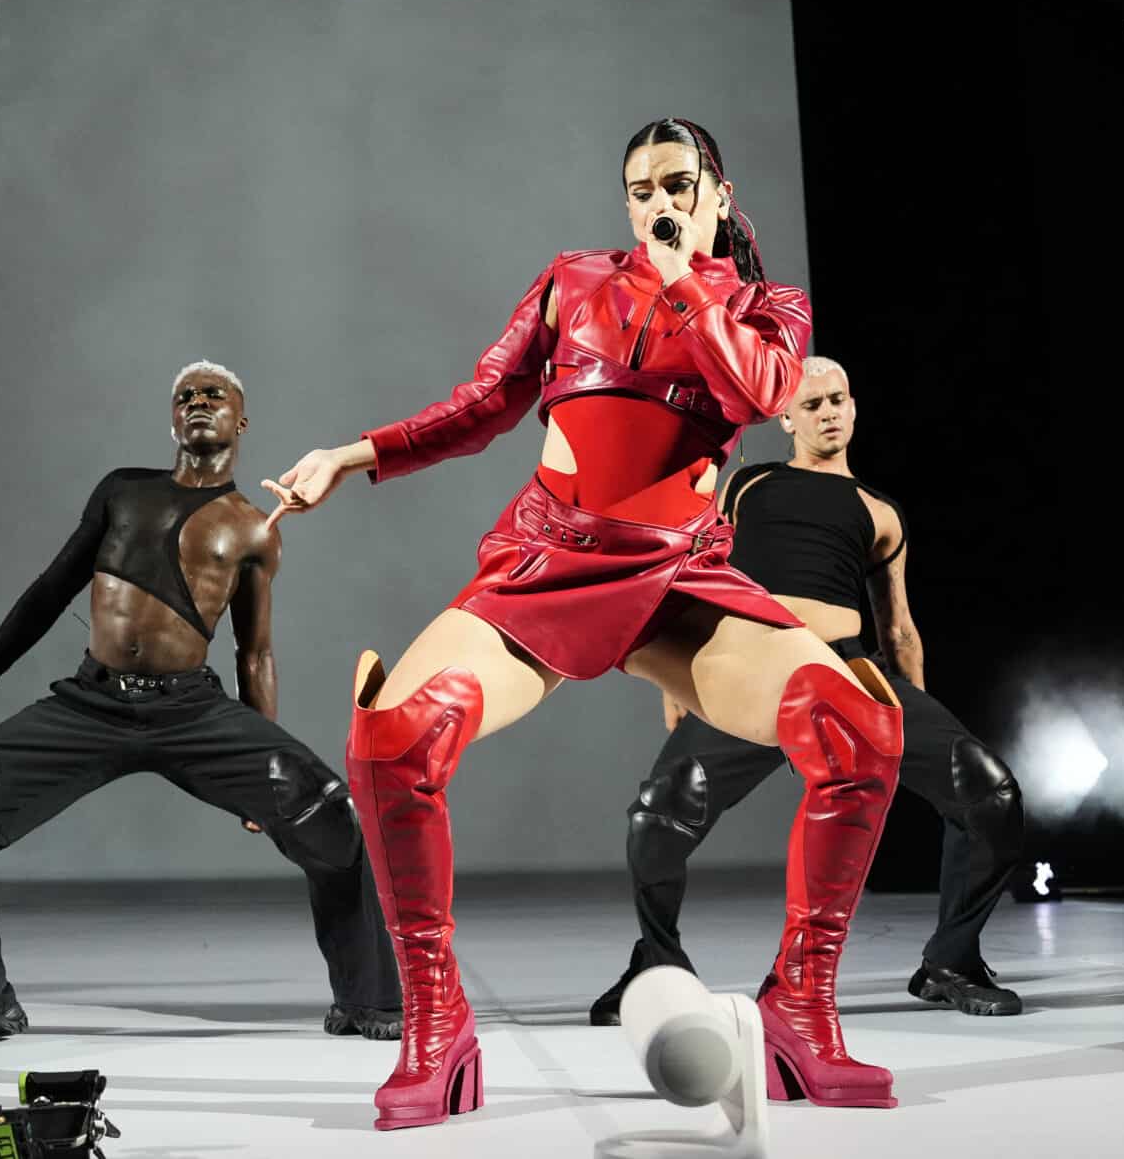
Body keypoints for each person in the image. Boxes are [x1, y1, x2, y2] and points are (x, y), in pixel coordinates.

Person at [264, 120, 906, 1129]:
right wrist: (350, 456)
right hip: (546, 561)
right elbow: (481, 404)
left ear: (717, 193)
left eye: (677, 183)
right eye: (638, 188)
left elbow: (756, 388)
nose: (657, 200)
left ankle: (802, 1010)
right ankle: (437, 1024)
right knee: (394, 734)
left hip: (682, 582)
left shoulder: (768, 308)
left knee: (857, 729)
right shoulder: (570, 283)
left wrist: (683, 274)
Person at [0, 362, 399, 1049]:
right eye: (185, 396)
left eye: (213, 394)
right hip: (90, 705)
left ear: (240, 420)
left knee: (329, 812)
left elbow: (253, 654)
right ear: (172, 419)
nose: (197, 402)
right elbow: (50, 590)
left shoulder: (255, 529)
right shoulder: (123, 492)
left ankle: (367, 995)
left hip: (191, 710)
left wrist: (263, 761)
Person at [588, 357, 1027, 1026]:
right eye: (813, 402)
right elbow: (695, 571)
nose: (828, 411)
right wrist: (680, 671)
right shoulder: (749, 483)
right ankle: (657, 960)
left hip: (848, 672)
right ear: (786, 417)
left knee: (990, 792)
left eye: (839, 398)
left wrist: (918, 721)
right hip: (751, 670)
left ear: (854, 406)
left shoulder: (880, 512)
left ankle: (951, 960)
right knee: (657, 816)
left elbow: (899, 629)